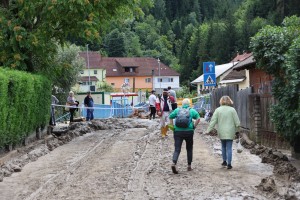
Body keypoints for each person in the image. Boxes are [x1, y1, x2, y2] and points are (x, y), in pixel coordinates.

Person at [206, 96, 240, 169]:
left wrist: (208, 130)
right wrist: (238, 131)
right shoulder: (232, 110)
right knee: (229, 148)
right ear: (229, 101)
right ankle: (229, 164)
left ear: (221, 101)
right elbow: (237, 122)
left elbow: (213, 121)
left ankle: (224, 161)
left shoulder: (218, 110)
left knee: (223, 146)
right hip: (230, 131)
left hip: (221, 131)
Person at [169, 98, 200, 174]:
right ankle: (189, 166)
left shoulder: (177, 110)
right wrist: (194, 127)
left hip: (178, 131)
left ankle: (174, 163)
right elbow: (198, 118)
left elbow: (170, 116)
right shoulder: (191, 110)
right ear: (189, 104)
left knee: (177, 148)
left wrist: (172, 126)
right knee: (189, 148)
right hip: (189, 131)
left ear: (182, 104)